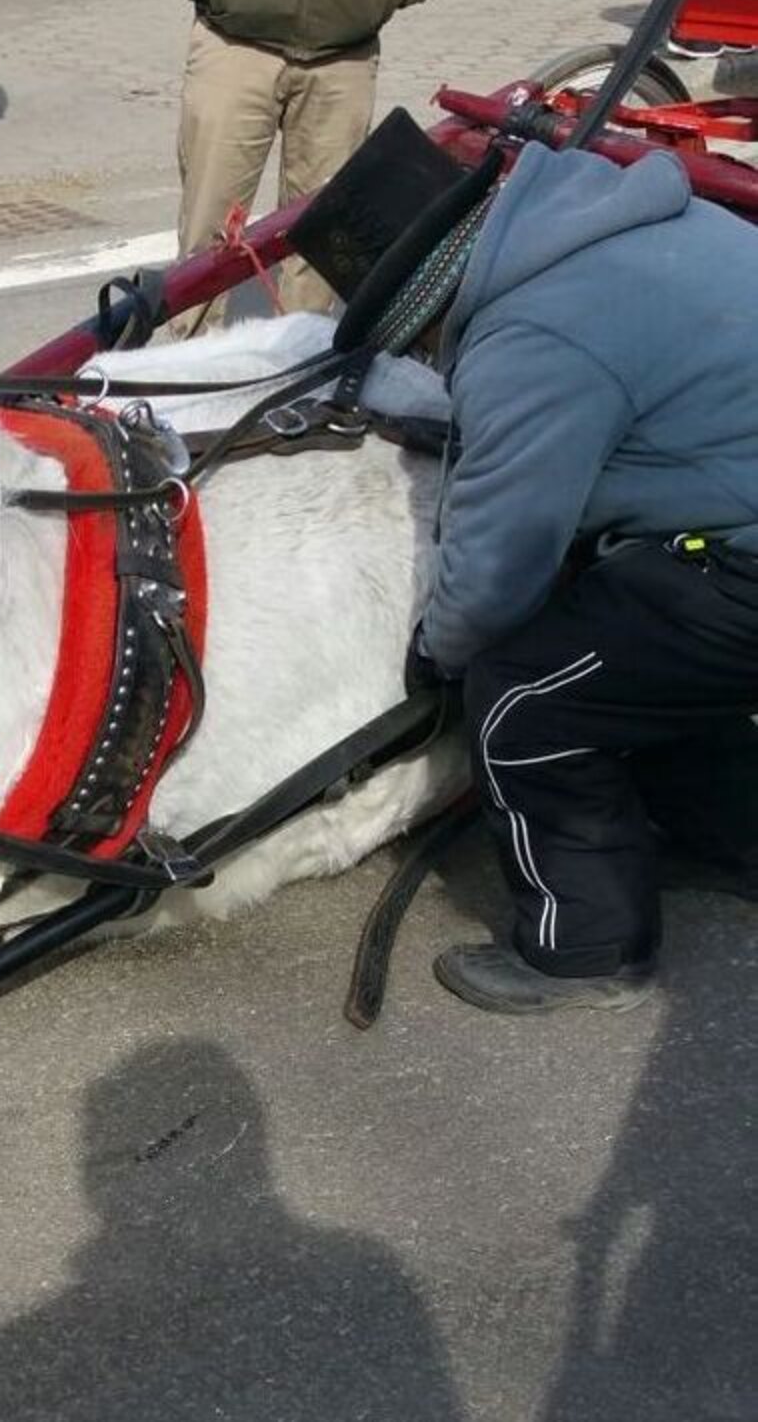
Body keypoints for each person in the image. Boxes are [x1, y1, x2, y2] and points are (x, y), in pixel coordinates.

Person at [289, 109, 758, 1015]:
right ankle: (733, 836)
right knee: (633, 638)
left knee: (525, 695)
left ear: (426, 303)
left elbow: (502, 564)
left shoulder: (532, 342)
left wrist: (438, 652)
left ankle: (585, 948)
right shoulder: (604, 223)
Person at [139, 0, 464, 328]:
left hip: (345, 54)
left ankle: (298, 377)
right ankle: (188, 382)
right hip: (235, 45)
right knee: (207, 245)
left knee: (323, 246)